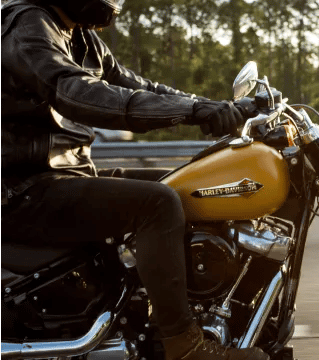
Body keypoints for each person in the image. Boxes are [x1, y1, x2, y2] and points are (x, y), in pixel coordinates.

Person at [1, 0, 269, 359]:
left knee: (185, 185)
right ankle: (185, 347)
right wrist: (191, 111)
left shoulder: (79, 36)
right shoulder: (28, 25)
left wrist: (218, 106)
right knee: (158, 204)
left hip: (65, 175)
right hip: (23, 188)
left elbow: (138, 85)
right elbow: (76, 91)